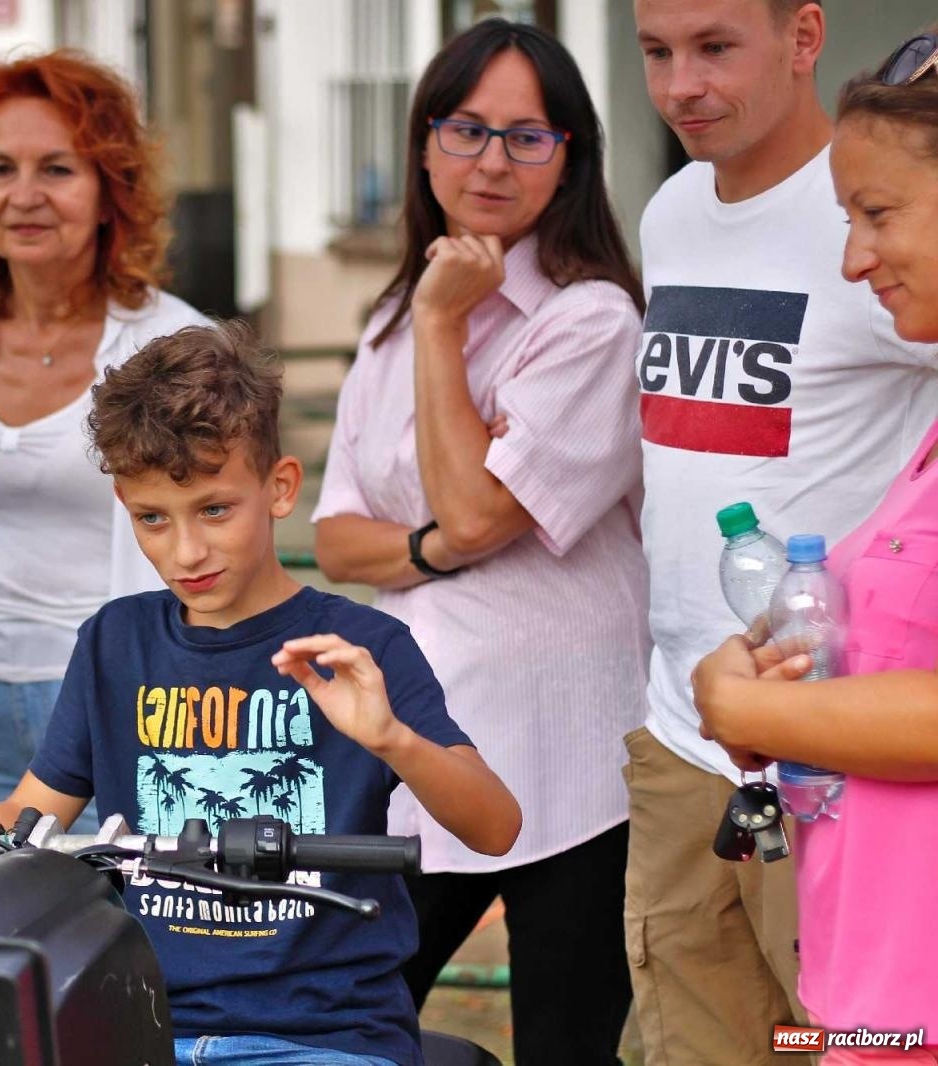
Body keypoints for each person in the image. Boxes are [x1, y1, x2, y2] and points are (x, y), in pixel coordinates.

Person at [0, 322, 521, 1066]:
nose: (186, 551)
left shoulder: (364, 646)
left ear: (280, 487)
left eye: (214, 510)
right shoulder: (112, 643)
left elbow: (495, 828)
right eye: (152, 519)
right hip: (143, 1027)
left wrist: (393, 739)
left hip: (323, 1038)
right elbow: (29, 814)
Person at [310, 20, 644, 1063]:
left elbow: (473, 512)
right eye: (465, 129)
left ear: (569, 158)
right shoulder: (390, 321)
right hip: (421, 745)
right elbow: (334, 540)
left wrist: (445, 328)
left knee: (562, 1046)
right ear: (424, 144)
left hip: (569, 758)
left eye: (526, 136)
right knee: (343, 1025)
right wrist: (436, 546)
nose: (492, 161)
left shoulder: (591, 323)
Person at [628, 2, 938, 1063]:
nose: (681, 85)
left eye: (715, 46)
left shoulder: (884, 193)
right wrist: (714, 700)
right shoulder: (670, 211)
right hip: (690, 736)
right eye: (656, 51)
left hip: (848, 769)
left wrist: (774, 706)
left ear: (804, 37)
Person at [0, 50, 207, 822]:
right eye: (0, 168)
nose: (24, 196)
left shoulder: (175, 347)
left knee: (112, 902)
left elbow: (215, 547)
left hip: (120, 711)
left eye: (58, 169)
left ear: (109, 192)